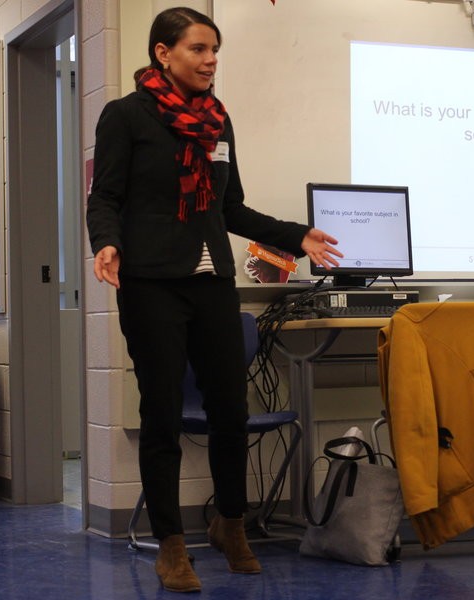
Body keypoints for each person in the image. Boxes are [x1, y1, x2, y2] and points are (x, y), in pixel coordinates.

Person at [86, 6, 342, 594]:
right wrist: (107, 244)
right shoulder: (126, 116)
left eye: (214, 51)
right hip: (152, 283)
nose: (210, 61)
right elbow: (106, 196)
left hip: (211, 283)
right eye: (199, 49)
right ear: (163, 53)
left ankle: (231, 525)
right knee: (161, 415)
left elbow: (231, 209)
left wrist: (294, 235)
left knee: (231, 410)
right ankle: (171, 545)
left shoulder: (217, 119)